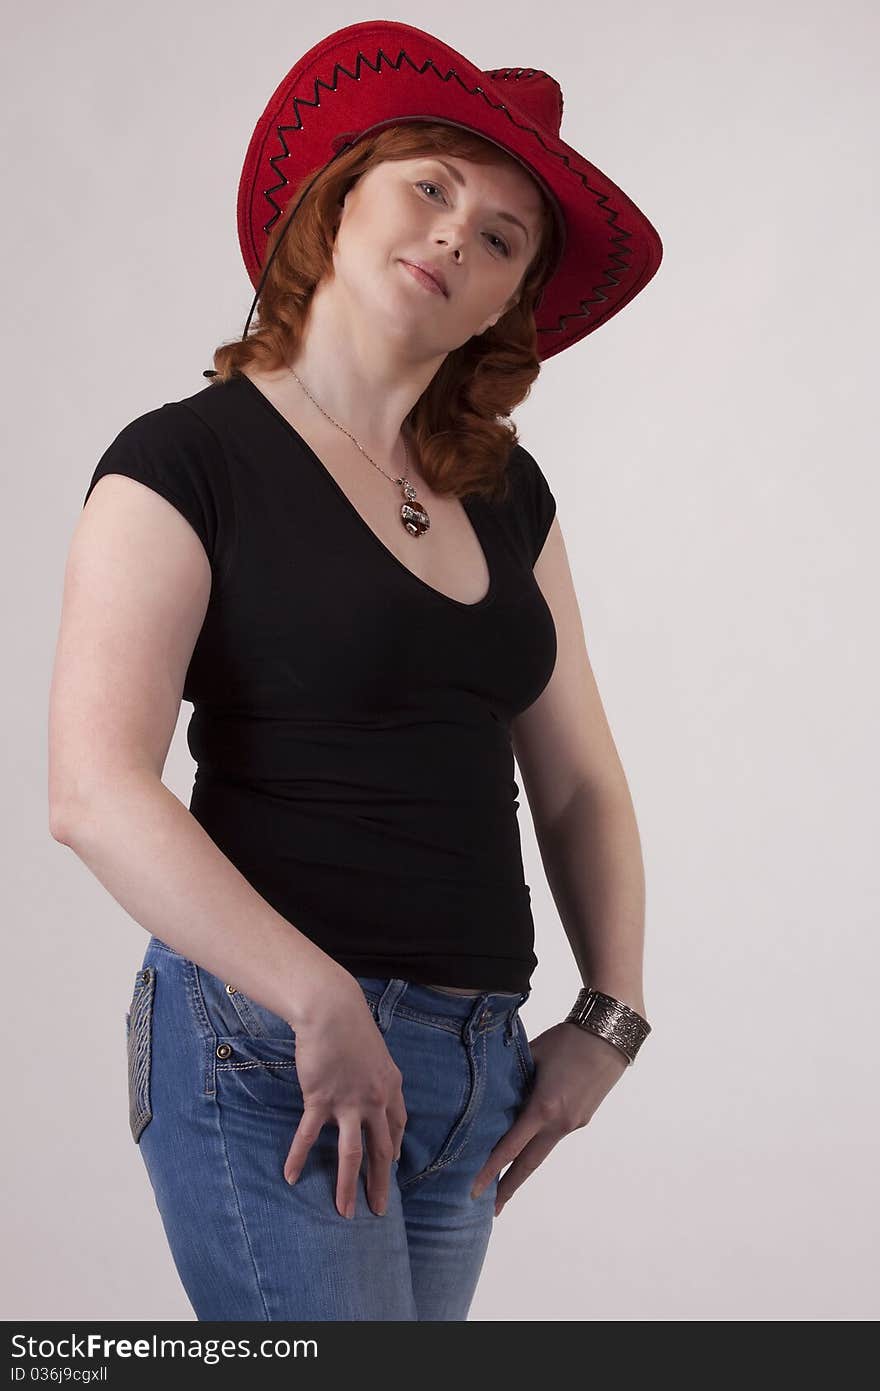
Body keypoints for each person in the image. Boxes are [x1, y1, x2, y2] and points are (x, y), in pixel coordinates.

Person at [49, 20, 660, 1320]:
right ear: (340, 200)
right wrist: (317, 999)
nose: (455, 234)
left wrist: (609, 1019)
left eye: (501, 236)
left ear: (509, 302)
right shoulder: (183, 463)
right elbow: (95, 791)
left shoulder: (508, 494)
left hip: (474, 1072)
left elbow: (579, 786)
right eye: (430, 186)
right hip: (270, 1052)